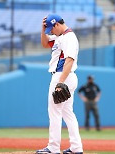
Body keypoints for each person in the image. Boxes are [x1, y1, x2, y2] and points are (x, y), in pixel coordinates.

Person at [36, 14, 83, 154]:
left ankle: (53, 147)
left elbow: (69, 60)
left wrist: (60, 82)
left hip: (62, 76)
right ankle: (76, 147)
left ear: (57, 24)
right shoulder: (59, 36)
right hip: (66, 77)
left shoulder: (69, 37)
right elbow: (45, 44)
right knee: (68, 113)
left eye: (51, 28)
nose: (50, 31)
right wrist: (42, 28)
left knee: (54, 112)